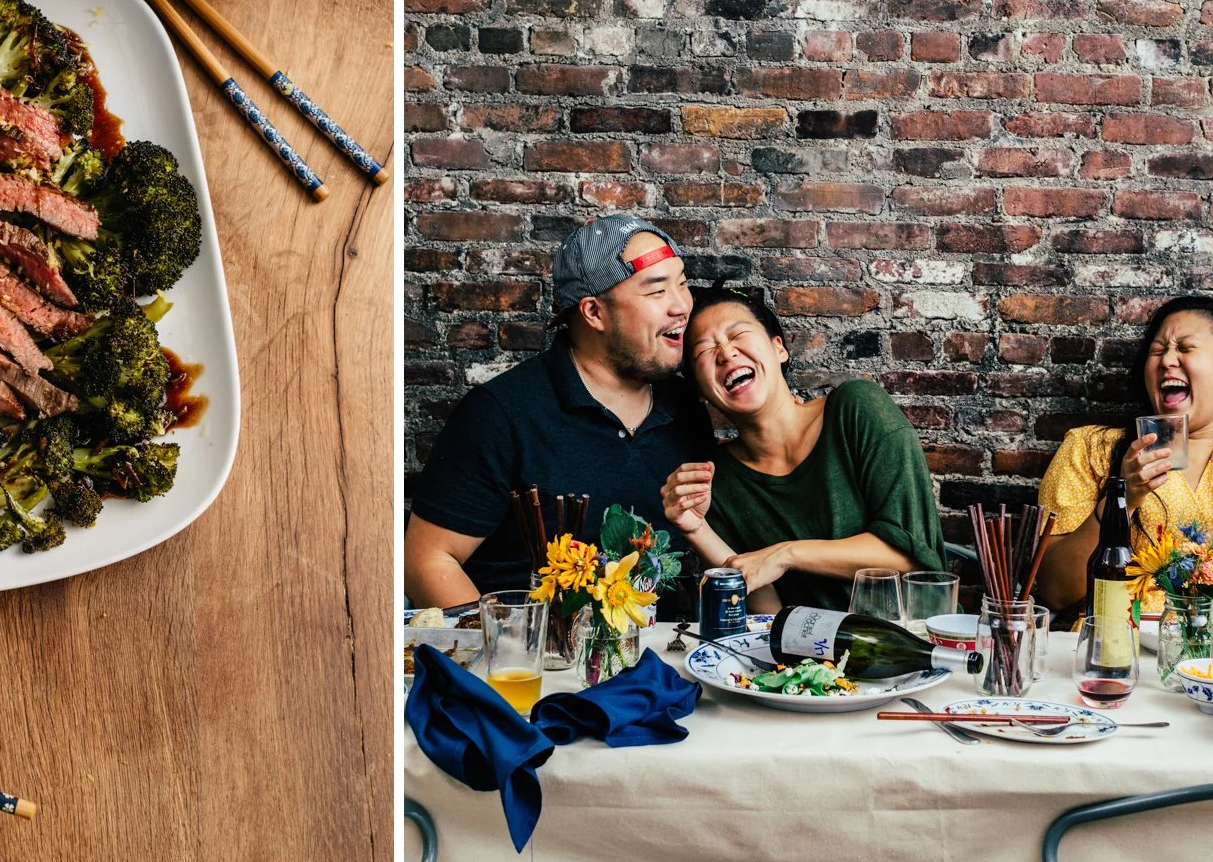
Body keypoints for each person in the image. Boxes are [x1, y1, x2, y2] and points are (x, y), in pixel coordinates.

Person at [404, 214, 705, 614]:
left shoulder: (687, 407)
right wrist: (512, 653)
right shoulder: (502, 414)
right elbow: (426, 562)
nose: (682, 305)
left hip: (663, 661)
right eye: (656, 291)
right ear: (594, 313)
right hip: (540, 664)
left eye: (682, 283)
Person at [660, 287, 946, 612]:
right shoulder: (718, 482)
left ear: (778, 348)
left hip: (920, 642)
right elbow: (768, 615)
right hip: (813, 658)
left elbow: (911, 556)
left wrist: (785, 555)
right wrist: (697, 529)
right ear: (699, 390)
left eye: (738, 334)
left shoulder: (856, 410)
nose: (725, 354)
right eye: (703, 352)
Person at [1034, 296, 1213, 620]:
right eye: (1157, 350)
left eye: (1185, 348)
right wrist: (1121, 498)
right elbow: (1055, 590)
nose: (1167, 359)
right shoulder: (1091, 447)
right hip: (1122, 648)